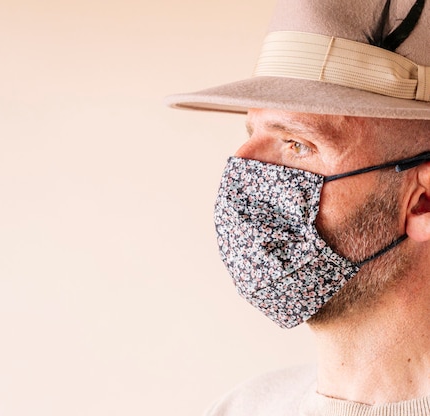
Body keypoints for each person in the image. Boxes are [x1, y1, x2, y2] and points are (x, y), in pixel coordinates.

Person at [167, 0, 430, 414]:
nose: (243, 174)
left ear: (422, 203)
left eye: (297, 144)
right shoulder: (239, 408)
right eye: (251, 134)